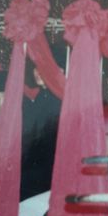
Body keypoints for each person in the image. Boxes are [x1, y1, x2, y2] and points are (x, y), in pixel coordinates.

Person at [20, 45, 65, 200]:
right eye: (36, 67)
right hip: (34, 165)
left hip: (49, 171)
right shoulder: (41, 97)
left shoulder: (60, 99)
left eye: (43, 67)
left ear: (60, 71)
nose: (37, 72)